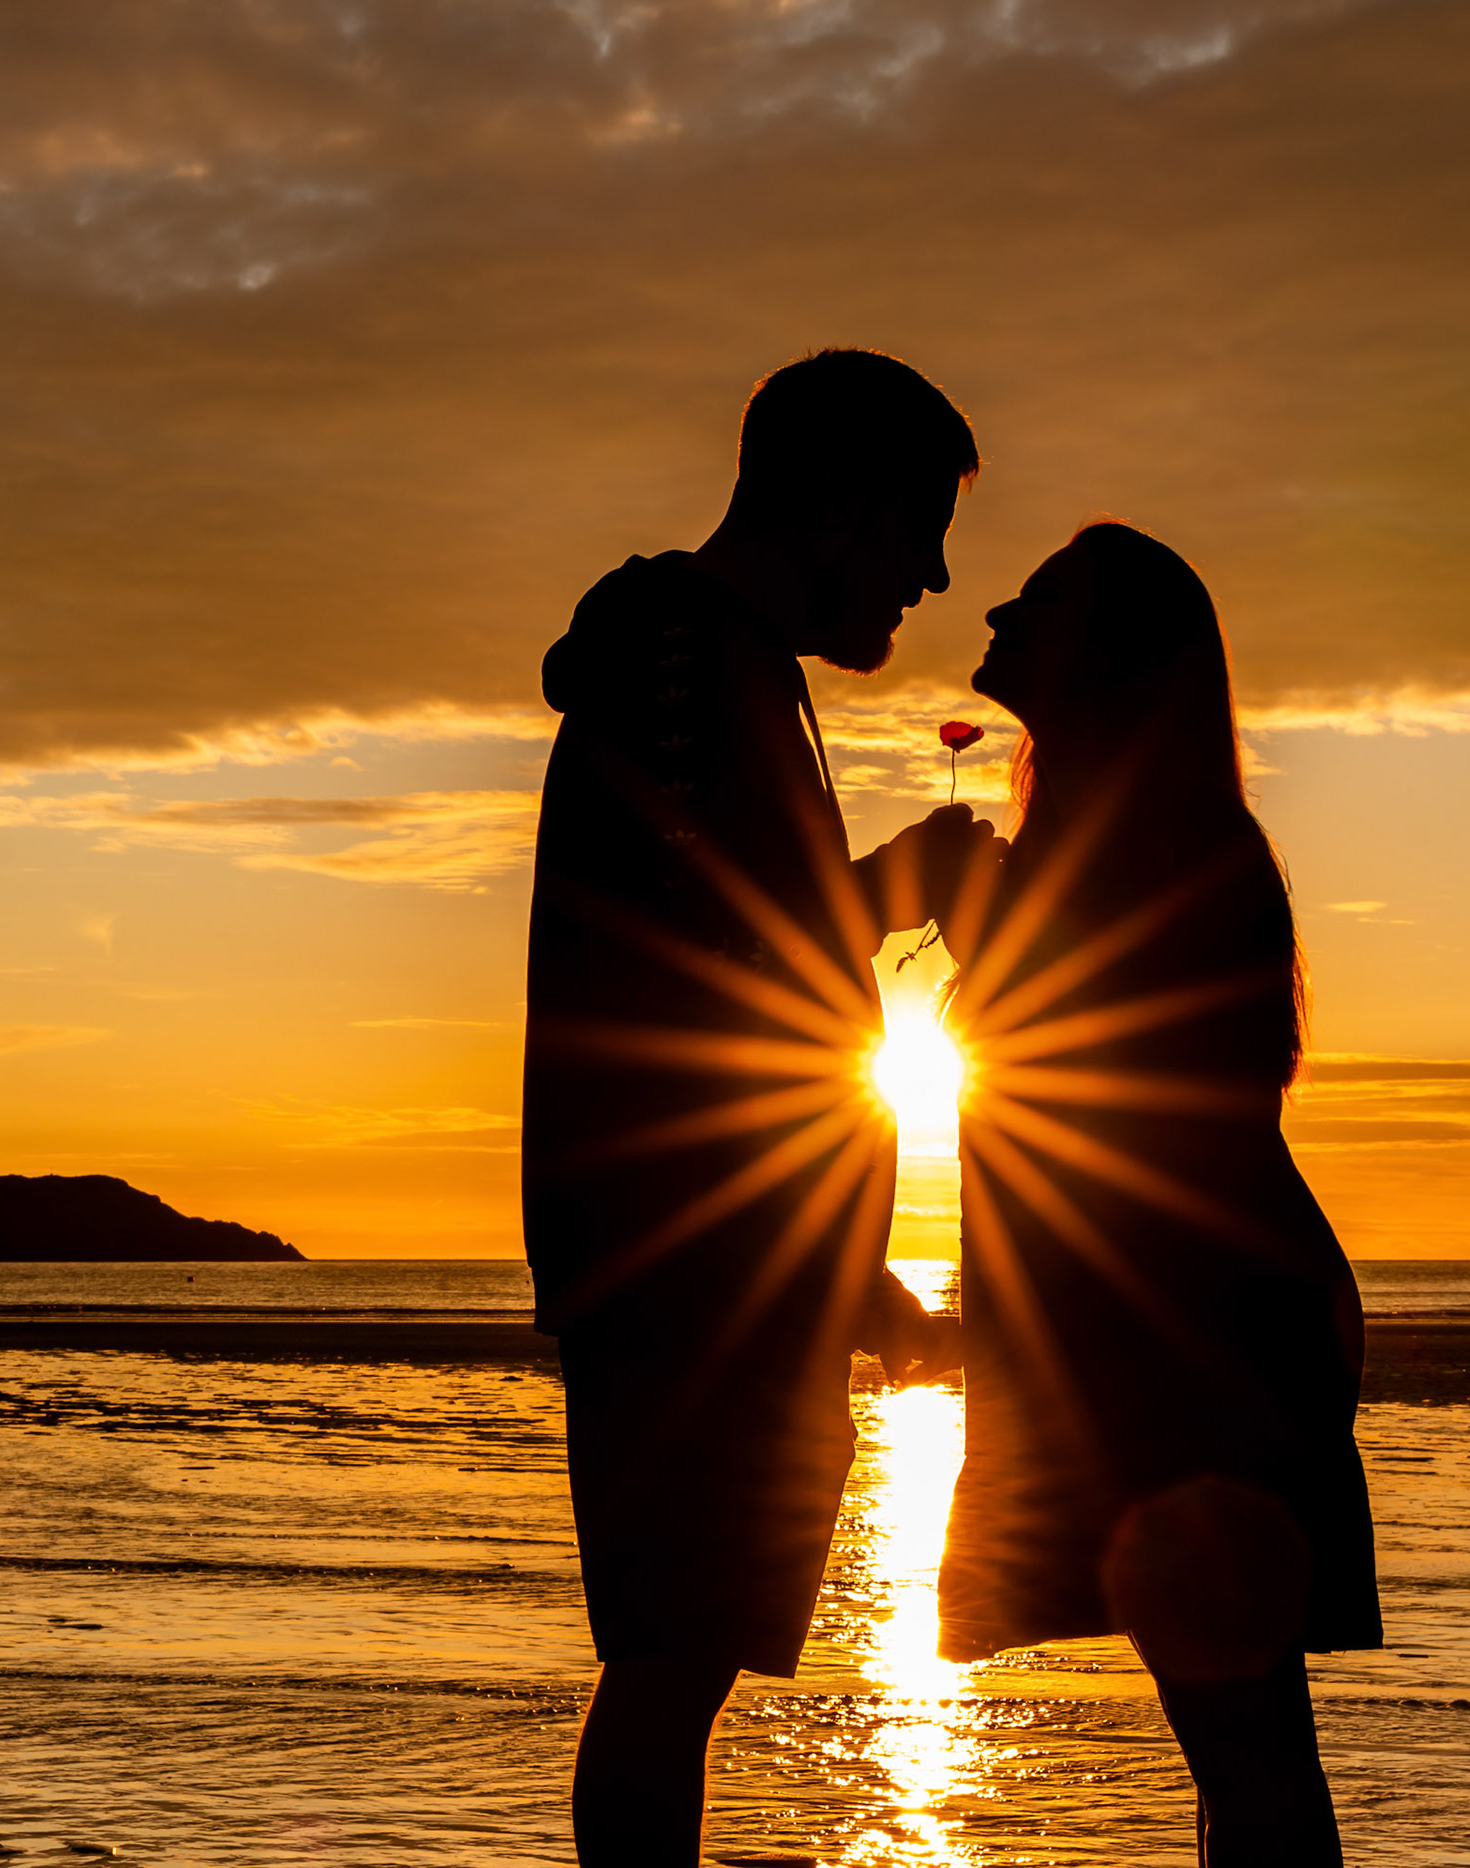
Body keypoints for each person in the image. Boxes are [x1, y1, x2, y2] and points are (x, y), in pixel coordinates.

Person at [523, 349, 995, 1868]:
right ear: (842, 506)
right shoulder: (682, 662)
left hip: (711, 1265)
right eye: (918, 523)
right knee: (670, 1663)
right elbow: (701, 990)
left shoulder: (713, 666)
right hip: (687, 1270)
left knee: (684, 1662)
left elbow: (733, 958)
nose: (928, 572)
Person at [936, 522, 1382, 1866]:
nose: (1002, 605)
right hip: (1177, 1334)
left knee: (1246, 1746)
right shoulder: (1104, 850)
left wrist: (984, 926)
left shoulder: (1158, 859)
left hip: (1198, 1344)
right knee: (1240, 1743)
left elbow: (1119, 1110)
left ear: (1107, 656)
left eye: (1045, 598)